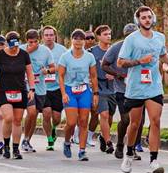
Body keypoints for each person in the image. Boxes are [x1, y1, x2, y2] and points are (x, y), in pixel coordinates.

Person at [117, 6, 168, 173]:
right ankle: (129, 153)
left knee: (155, 121)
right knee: (134, 124)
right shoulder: (132, 39)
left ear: (153, 19)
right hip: (135, 87)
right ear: (138, 20)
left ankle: (154, 160)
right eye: (143, 17)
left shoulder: (160, 37)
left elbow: (163, 56)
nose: (147, 20)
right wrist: (139, 61)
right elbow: (120, 62)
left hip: (154, 86)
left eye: (149, 17)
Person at [0, 31, 36, 160]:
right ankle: (6, 146)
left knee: (18, 120)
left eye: (17, 46)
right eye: (12, 46)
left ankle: (15, 148)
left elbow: (30, 72)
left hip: (20, 90)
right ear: (8, 44)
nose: (15, 49)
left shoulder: (24, 55)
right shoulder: (0, 55)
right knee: (8, 118)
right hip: (4, 90)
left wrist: (32, 89)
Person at [58, 29, 99, 162]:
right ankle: (67, 142)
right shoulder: (65, 56)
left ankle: (82, 150)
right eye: (76, 38)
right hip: (70, 90)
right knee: (70, 122)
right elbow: (61, 76)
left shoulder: (89, 57)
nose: (78, 41)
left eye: (81, 39)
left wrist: (95, 93)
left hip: (84, 91)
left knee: (83, 121)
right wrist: (63, 93)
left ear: (84, 41)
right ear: (72, 40)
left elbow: (93, 76)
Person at [102, 23, 138, 160]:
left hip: (140, 88)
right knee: (126, 119)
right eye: (129, 36)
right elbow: (104, 65)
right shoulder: (116, 47)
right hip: (122, 89)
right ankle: (120, 144)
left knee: (137, 120)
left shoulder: (142, 47)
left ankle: (132, 148)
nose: (132, 38)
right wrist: (117, 74)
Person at [20, 29, 55, 153]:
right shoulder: (21, 50)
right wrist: (28, 51)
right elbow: (15, 62)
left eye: (36, 41)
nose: (33, 44)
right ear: (26, 41)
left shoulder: (45, 51)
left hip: (40, 88)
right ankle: (24, 139)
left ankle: (27, 139)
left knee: (33, 116)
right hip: (25, 87)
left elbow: (53, 67)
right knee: (32, 112)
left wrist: (47, 71)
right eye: (30, 42)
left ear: (39, 40)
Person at [90, 25, 116, 154]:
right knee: (104, 115)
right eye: (105, 34)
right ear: (98, 36)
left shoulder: (114, 51)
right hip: (99, 87)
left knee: (110, 116)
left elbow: (121, 66)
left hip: (113, 88)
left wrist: (115, 74)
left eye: (109, 34)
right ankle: (109, 142)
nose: (108, 36)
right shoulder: (92, 52)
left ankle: (102, 136)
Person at [41, 26, 67, 151]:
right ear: (42, 37)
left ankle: (53, 128)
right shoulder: (38, 50)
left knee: (56, 117)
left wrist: (55, 69)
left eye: (51, 35)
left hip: (57, 87)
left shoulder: (62, 50)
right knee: (46, 113)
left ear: (55, 36)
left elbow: (67, 65)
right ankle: (49, 138)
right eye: (46, 35)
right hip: (43, 88)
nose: (49, 37)